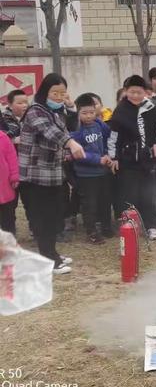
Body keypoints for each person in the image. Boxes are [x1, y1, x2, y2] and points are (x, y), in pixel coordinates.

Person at [19, 73, 86, 275]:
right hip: (35, 176)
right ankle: (48, 260)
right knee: (44, 219)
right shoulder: (35, 112)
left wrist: (72, 108)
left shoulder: (55, 112)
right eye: (54, 92)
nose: (58, 97)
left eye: (62, 93)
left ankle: (51, 254)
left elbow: (70, 129)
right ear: (44, 92)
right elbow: (52, 133)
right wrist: (71, 144)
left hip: (54, 175)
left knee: (55, 216)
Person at [108, 75, 156, 240]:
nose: (135, 96)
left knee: (149, 194)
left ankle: (152, 226)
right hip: (127, 160)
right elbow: (113, 136)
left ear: (145, 92)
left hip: (147, 160)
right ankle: (131, 226)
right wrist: (114, 157)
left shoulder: (151, 108)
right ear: (126, 92)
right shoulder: (121, 110)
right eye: (132, 92)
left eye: (139, 92)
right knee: (129, 194)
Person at [70, 94, 113, 244]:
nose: (89, 116)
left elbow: (110, 138)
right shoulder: (76, 130)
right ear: (78, 113)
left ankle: (107, 227)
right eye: (84, 113)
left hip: (103, 171)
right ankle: (92, 232)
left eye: (91, 112)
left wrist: (108, 154)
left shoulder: (100, 124)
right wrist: (97, 160)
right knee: (90, 204)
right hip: (86, 174)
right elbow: (78, 153)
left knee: (105, 201)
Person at [0, 131, 19, 234]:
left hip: (4, 185)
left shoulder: (3, 137)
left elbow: (12, 157)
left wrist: (14, 176)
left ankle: (9, 237)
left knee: (7, 214)